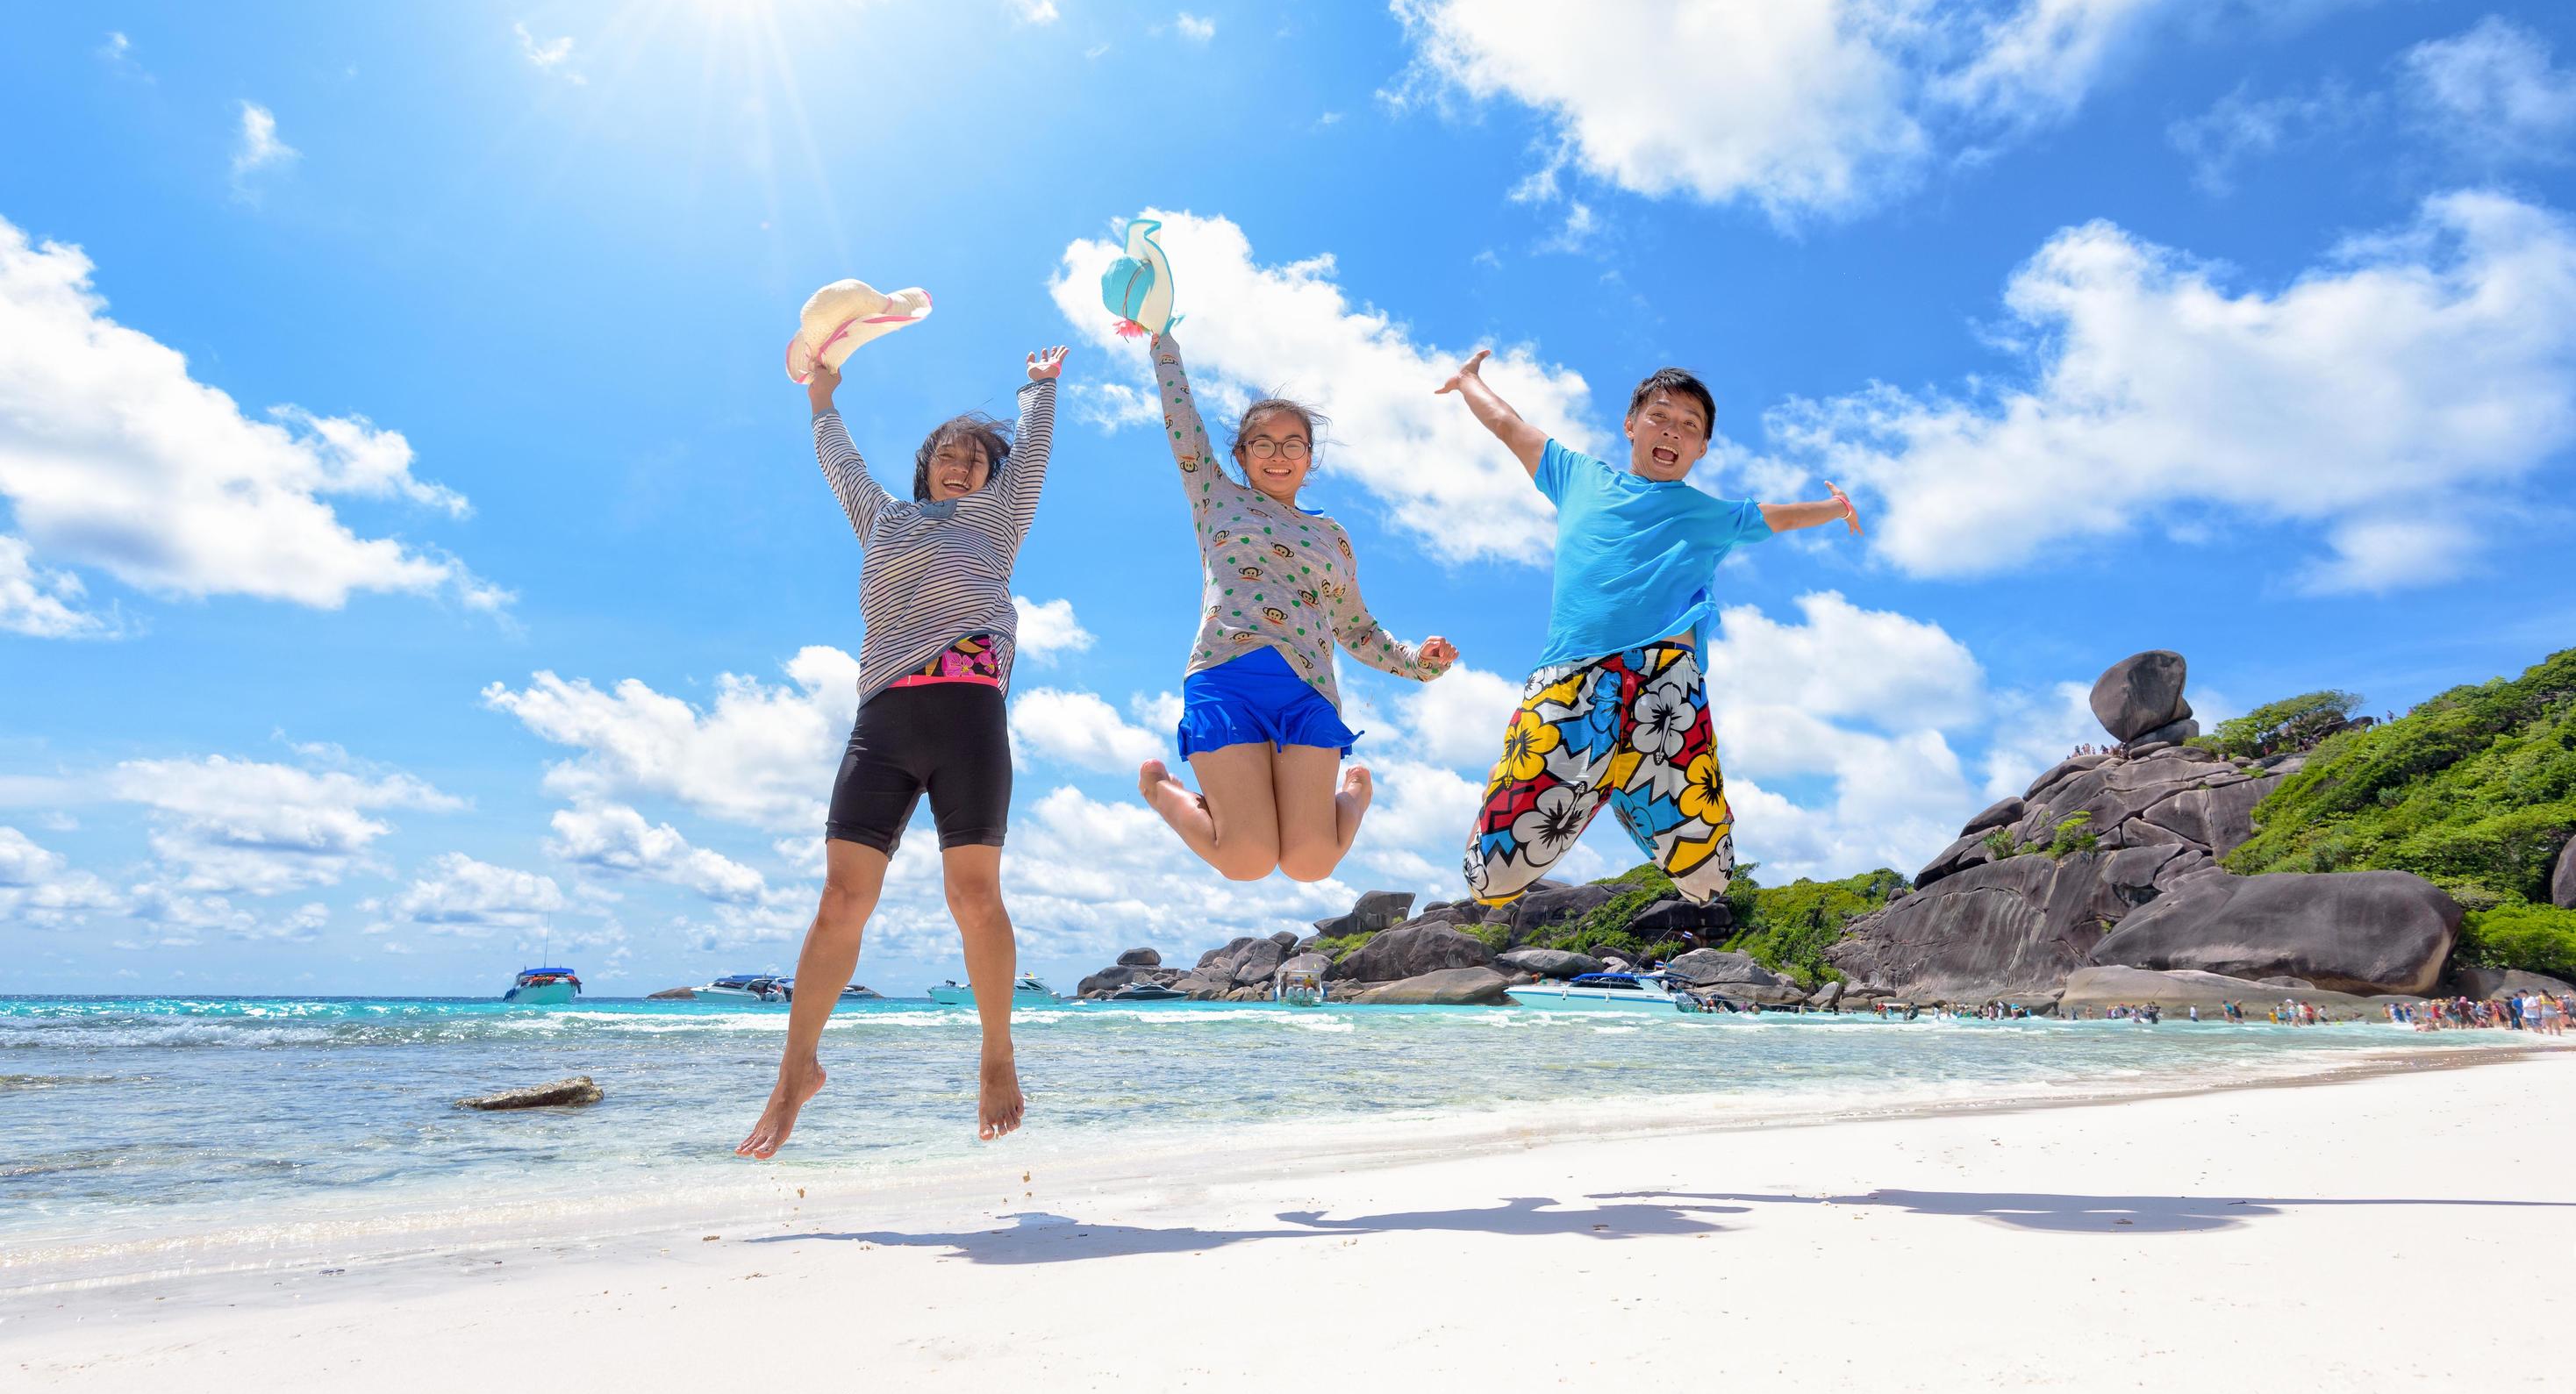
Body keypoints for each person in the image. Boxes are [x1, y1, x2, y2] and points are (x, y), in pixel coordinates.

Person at [737, 338, 1068, 1158]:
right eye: (948, 457)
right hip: (883, 718)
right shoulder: (882, 516)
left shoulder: (998, 522)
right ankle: (793, 1074)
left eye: (976, 461)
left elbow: (1031, 458)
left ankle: (997, 1056)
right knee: (839, 902)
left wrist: (1038, 389)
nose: (963, 469)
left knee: (974, 897)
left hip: (968, 719)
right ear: (925, 467)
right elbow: (841, 463)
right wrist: (822, 396)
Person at [1435, 351, 1861, 906]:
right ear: (1631, 424)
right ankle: (1594, 779)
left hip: (1667, 687)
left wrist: (1835, 506)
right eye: (1660, 416)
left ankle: (1622, 785)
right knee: (1489, 881)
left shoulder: (1714, 516)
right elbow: (1509, 426)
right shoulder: (1577, 476)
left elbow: (1780, 516)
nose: (1673, 431)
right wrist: (1469, 381)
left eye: (1690, 426)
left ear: (1702, 448)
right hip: (1572, 678)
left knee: (1709, 882)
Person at [1135, 329, 1457, 881]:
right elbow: (1181, 420)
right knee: (1246, 860)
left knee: (1310, 864)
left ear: (1310, 458)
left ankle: (1354, 794)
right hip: (1226, 677)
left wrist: (1418, 662)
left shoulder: (1332, 535)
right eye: (1263, 443)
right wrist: (1163, 341)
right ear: (1241, 454)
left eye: (1293, 444)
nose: (1278, 455)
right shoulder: (1217, 498)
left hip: (1307, 690)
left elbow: (1357, 630)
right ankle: (1163, 790)